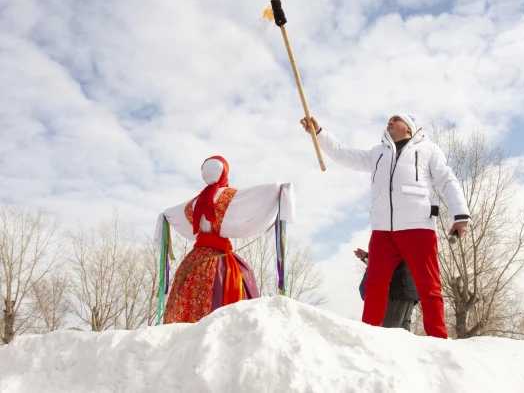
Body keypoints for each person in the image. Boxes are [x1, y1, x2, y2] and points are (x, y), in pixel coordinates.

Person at [301, 114, 470, 338]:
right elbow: (345, 154)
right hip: (383, 229)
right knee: (375, 284)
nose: (389, 122)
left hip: (417, 226)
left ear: (409, 127)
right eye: (388, 120)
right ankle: (368, 336)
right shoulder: (378, 153)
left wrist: (460, 215)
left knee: (428, 285)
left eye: (395, 119)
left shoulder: (428, 150)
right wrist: (320, 133)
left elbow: (447, 180)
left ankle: (438, 339)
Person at [154, 155, 295, 324]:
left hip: (193, 262)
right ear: (224, 173)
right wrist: (280, 190)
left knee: (186, 297)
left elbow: (171, 214)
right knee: (240, 280)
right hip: (220, 260)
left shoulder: (193, 204)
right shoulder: (229, 197)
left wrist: (165, 216)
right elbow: (254, 197)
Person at [355, 248, 419, 331]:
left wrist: (369, 256)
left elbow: (390, 257)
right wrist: (367, 257)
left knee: (389, 334)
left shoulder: (396, 242)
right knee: (403, 336)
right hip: (406, 294)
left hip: (397, 294)